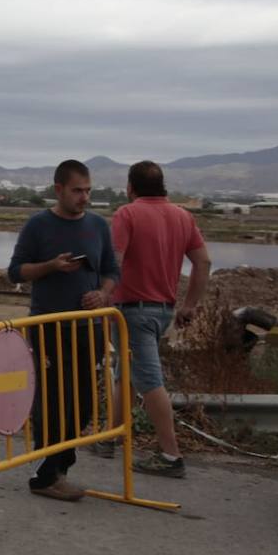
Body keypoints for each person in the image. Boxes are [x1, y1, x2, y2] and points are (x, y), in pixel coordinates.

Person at [7, 159, 119, 501]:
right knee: (53, 403)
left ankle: (61, 467)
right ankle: (45, 476)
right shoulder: (38, 226)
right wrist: (51, 266)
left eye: (88, 190)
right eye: (77, 191)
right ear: (59, 190)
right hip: (49, 330)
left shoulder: (99, 226)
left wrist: (103, 294)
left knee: (83, 402)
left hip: (88, 329)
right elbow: (15, 272)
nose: (84, 197)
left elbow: (112, 271)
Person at [112, 160, 211, 478]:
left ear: (130, 187)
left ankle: (171, 456)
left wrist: (98, 293)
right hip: (164, 310)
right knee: (124, 372)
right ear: (162, 185)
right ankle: (109, 438)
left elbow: (114, 261)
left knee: (148, 380)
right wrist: (190, 305)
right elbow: (203, 262)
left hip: (133, 310)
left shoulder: (127, 213)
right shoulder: (183, 216)